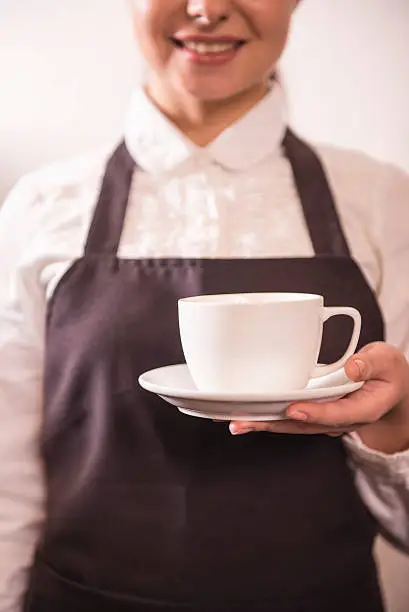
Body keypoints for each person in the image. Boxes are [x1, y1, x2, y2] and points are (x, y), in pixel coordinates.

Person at [0, 1, 409, 611]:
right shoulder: (39, 206)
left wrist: (392, 426)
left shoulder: (384, 201)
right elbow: (7, 476)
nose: (208, 8)